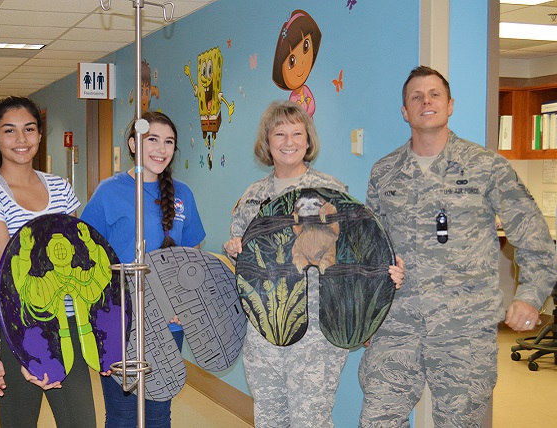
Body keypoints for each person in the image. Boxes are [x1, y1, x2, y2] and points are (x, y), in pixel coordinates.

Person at [358, 66, 557, 427]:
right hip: (396, 324)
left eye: (434, 94)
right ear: (405, 111)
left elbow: (534, 236)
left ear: (450, 105)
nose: (425, 102)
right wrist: (367, 318)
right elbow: (371, 250)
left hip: (463, 329)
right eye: (415, 97)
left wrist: (530, 295)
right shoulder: (383, 172)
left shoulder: (486, 167)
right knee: (377, 420)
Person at [223, 100, 404, 427]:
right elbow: (245, 260)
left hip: (318, 328)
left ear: (308, 141)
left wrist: (378, 288)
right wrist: (235, 249)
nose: (288, 142)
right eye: (279, 134)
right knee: (268, 417)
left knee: (311, 420)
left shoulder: (331, 191)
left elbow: (358, 253)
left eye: (296, 133)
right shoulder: (253, 196)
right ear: (267, 142)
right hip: (264, 326)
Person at [0, 96, 96, 428]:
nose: (21, 140)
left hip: (66, 324)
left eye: (29, 129)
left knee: (81, 421)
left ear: (40, 135)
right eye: (9, 131)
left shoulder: (61, 188)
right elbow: (12, 270)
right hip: (18, 325)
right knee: (19, 422)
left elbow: (78, 257)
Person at [80, 111, 206, 428]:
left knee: (158, 413)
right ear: (134, 144)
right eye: (152, 140)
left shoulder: (184, 195)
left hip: (167, 321)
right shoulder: (109, 192)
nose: (161, 149)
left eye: (169, 142)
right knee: (123, 414)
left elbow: (192, 257)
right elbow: (84, 256)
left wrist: (183, 304)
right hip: (119, 321)